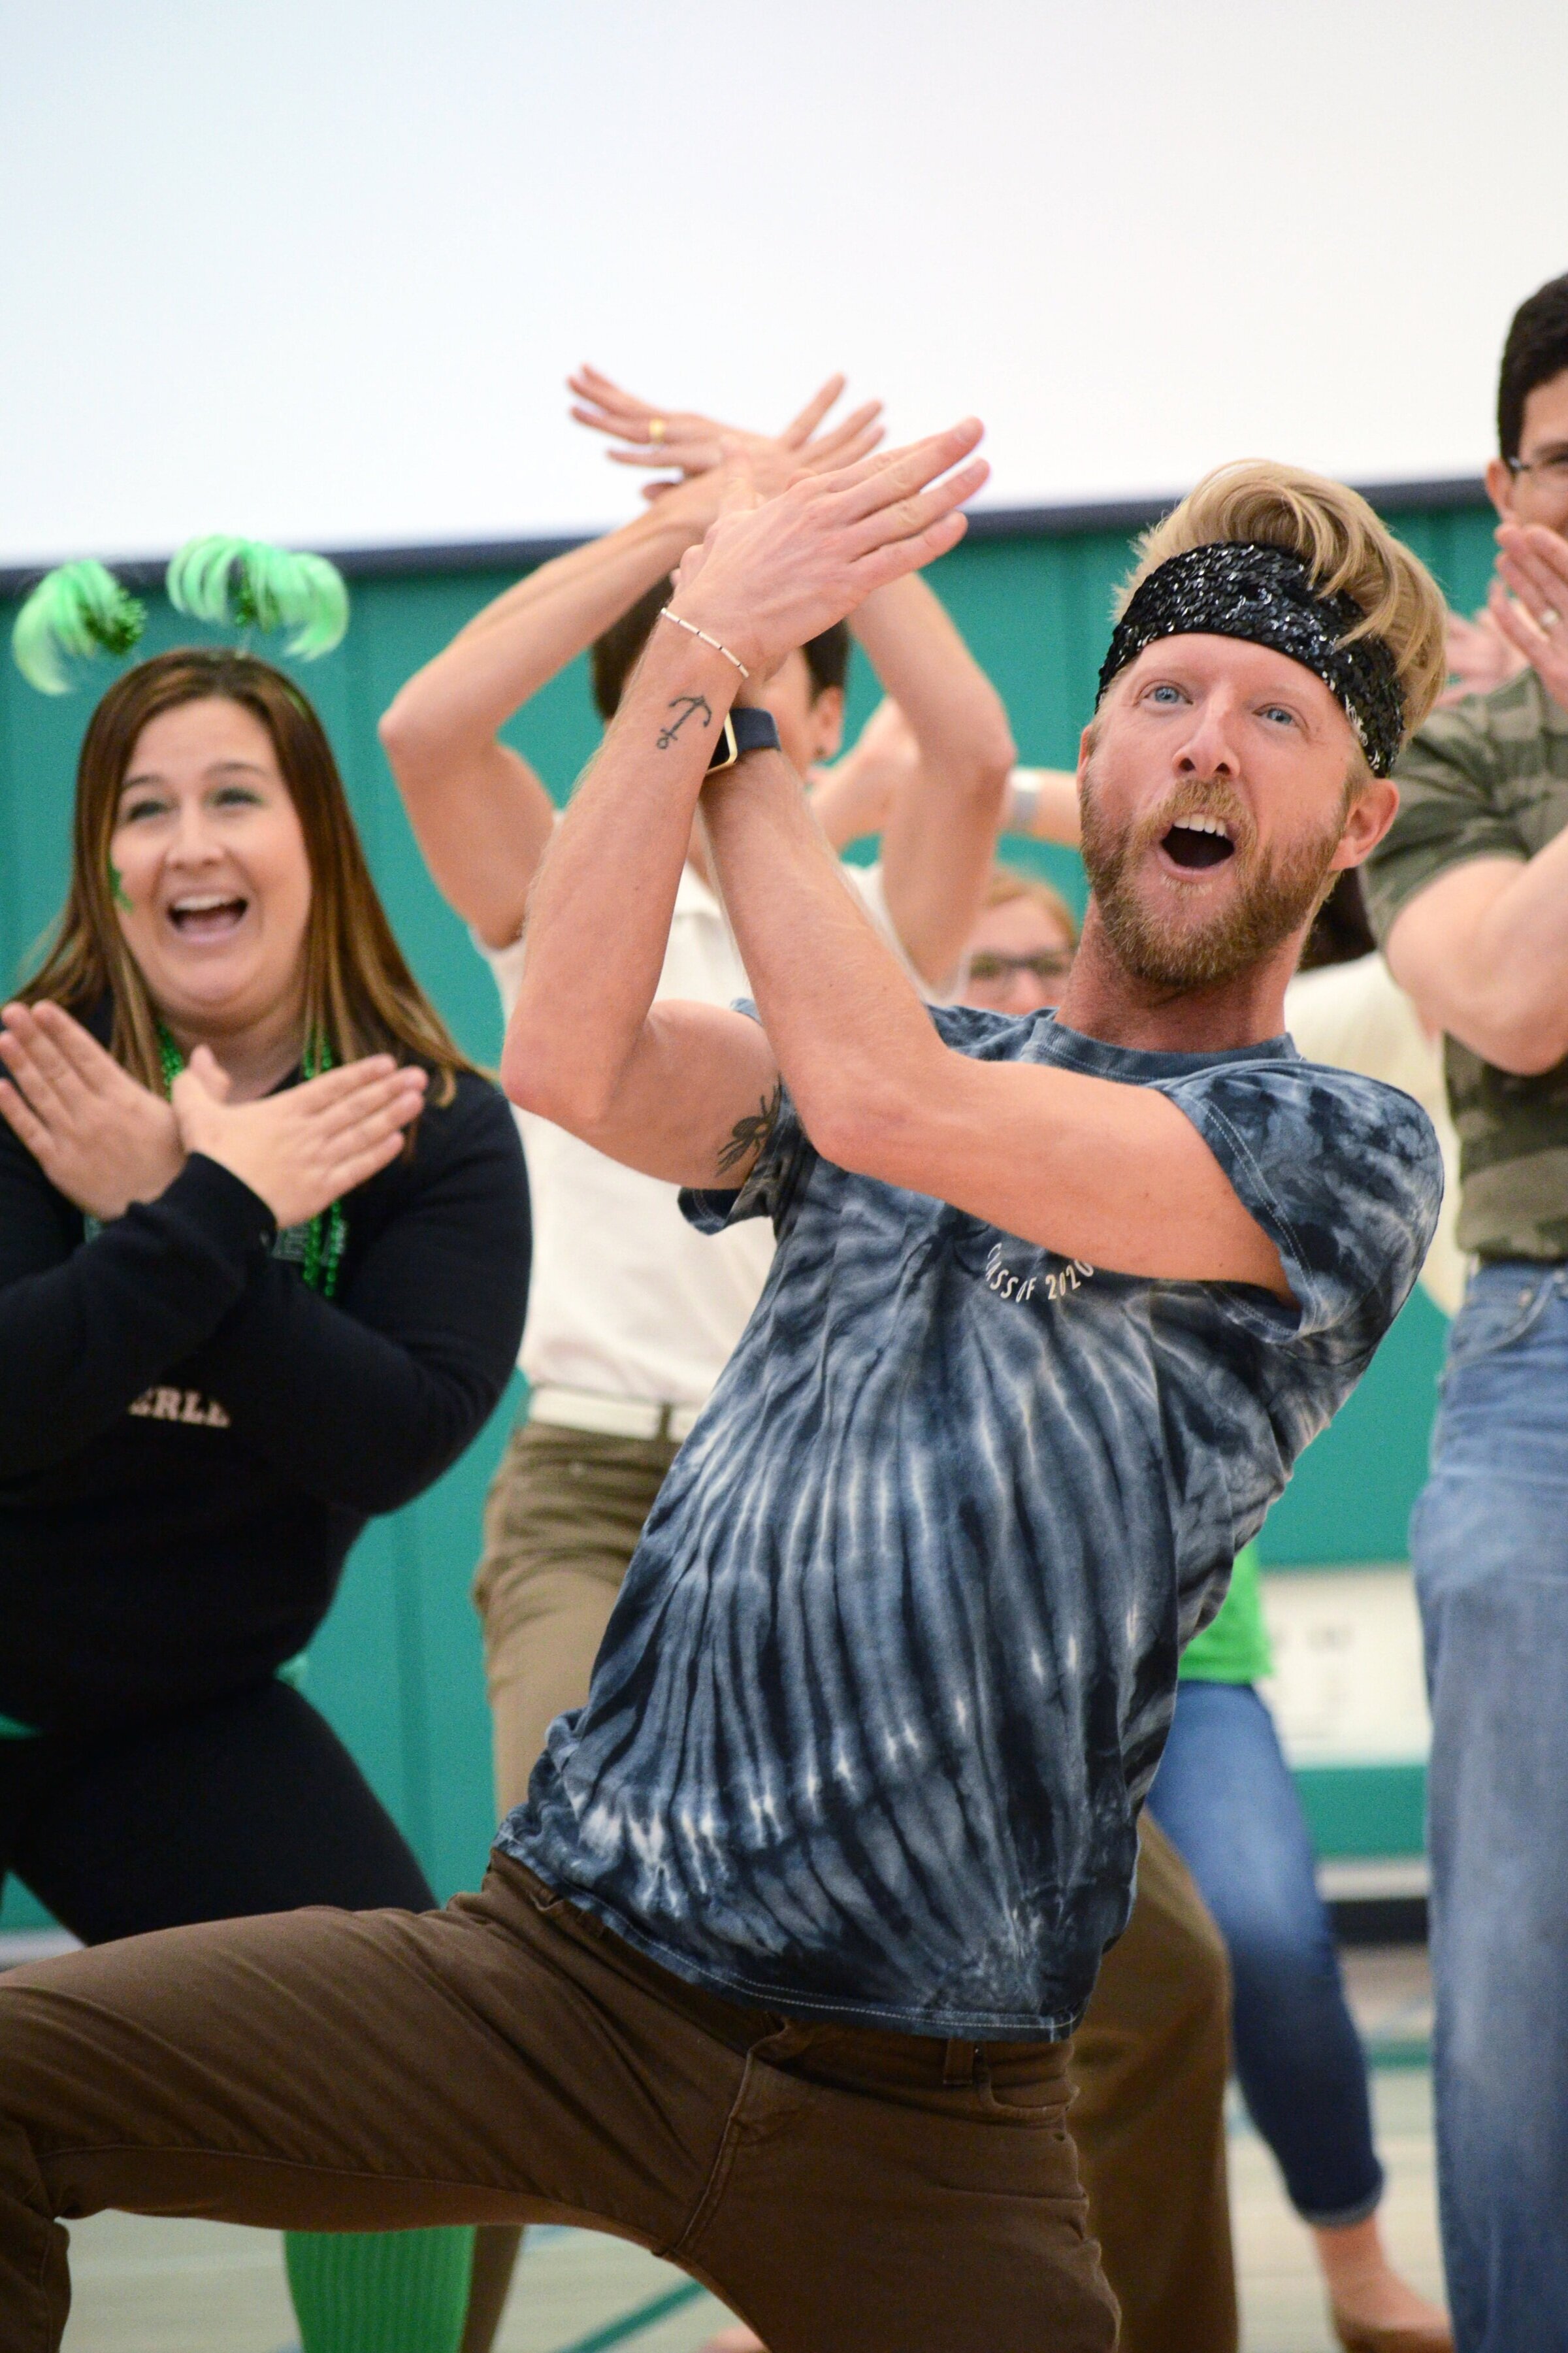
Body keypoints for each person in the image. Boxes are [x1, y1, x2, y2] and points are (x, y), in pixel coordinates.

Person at [0, 436, 1446, 2353]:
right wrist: (695, 644)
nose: (1204, 743)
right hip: (560, 1984)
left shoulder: (1332, 1146)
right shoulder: (912, 1034)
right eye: (1165, 695)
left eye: (1275, 717)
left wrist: (746, 723)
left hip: (920, 2111)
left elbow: (890, 1111)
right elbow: (573, 1048)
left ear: (1358, 819)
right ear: (1088, 761)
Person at [0, 595, 530, 2353]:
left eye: (235, 795)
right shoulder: (23, 1080)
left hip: (167, 1717)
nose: (190, 842)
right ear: (102, 858)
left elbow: (388, 1434)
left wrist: (163, 1214)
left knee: (426, 2072)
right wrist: (217, 1209)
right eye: (144, 807)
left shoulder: (427, 1128)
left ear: (312, 838)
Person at [379, 370, 1012, 1837]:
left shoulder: (875, 931)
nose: (720, 693)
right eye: (686, 680)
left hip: (823, 1473)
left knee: (1022, 1913)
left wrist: (809, 512)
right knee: (564, 1868)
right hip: (590, 1484)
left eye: (764, 669)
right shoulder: (576, 919)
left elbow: (974, 752)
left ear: (830, 714)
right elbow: (427, 732)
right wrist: (690, 534)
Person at [1359, 270, 1568, 2353]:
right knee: (1525, 1974)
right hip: (1547, 1375)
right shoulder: (1451, 746)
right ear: (1510, 488)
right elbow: (1513, 990)